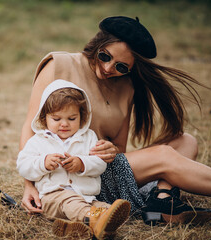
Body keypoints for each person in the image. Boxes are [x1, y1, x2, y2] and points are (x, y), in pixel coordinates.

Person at [19, 16, 211, 226]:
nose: (108, 68)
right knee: (163, 155)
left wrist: (109, 149)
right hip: (69, 177)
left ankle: (162, 200)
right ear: (97, 45)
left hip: (98, 167)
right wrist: (29, 186)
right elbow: (31, 129)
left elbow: (119, 148)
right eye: (105, 56)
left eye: (121, 66)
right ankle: (160, 202)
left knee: (186, 141)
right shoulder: (58, 64)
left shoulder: (127, 87)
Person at [17, 79, 131, 239]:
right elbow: (23, 165)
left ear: (82, 117)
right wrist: (43, 163)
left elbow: (99, 164)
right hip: (53, 197)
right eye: (56, 119)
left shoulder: (88, 137)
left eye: (72, 119)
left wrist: (82, 164)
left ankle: (80, 227)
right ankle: (93, 219)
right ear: (44, 118)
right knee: (70, 201)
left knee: (102, 208)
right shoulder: (38, 141)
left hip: (86, 197)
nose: (64, 124)